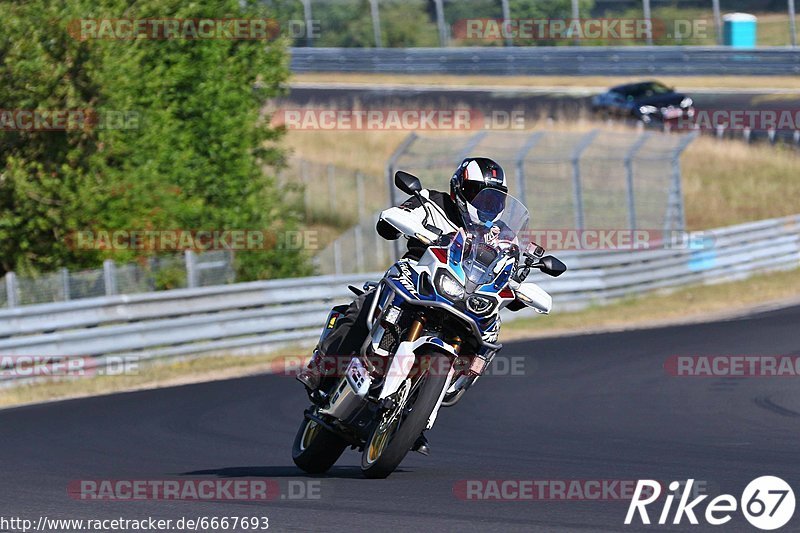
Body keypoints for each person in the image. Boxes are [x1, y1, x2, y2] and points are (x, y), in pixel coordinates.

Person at [296, 157, 509, 454]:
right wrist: (396, 220)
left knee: (484, 340)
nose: (486, 204)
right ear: (460, 188)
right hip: (416, 276)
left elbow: (512, 264)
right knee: (365, 305)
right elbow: (390, 220)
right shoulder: (431, 202)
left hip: (462, 294)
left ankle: (415, 417)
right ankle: (322, 367)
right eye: (479, 194)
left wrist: (523, 278)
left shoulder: (501, 234)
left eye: (494, 199)